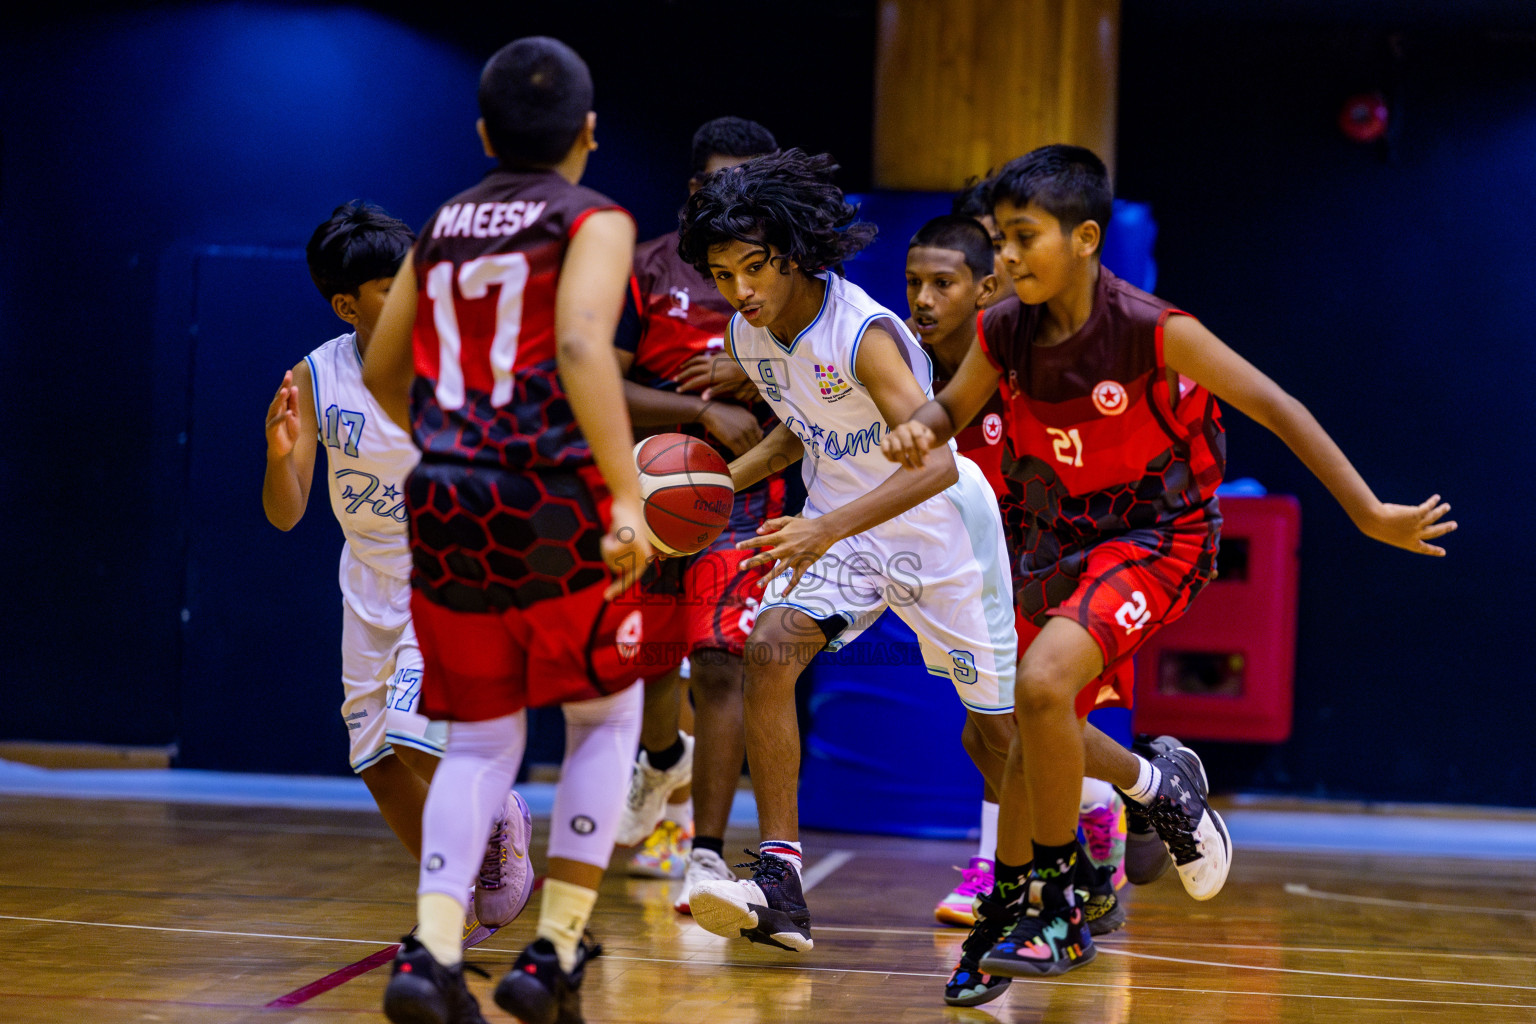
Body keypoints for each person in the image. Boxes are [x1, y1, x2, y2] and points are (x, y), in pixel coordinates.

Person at [884, 144, 1455, 983]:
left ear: (1084, 238)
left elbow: (1277, 406)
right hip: (1058, 537)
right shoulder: (1005, 330)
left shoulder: (1153, 330)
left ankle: (1064, 901)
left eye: (1021, 237)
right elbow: (951, 404)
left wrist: (1367, 509)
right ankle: (1038, 897)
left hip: (1160, 533)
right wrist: (921, 427)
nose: (1002, 258)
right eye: (998, 240)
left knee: (1039, 689)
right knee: (1019, 728)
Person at [360, 37, 652, 1024]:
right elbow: (580, 342)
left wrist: (451, 443)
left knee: (479, 736)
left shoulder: (440, 223)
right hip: (547, 495)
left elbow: (379, 372)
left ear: (483, 132)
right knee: (606, 717)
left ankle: (433, 950)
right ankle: (555, 949)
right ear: (589, 133)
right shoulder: (593, 215)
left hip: (445, 494)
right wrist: (623, 492)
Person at [673, 148, 1028, 957]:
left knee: (997, 734)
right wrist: (717, 485)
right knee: (769, 650)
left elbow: (936, 460)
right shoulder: (749, 333)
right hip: (846, 523)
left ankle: (1102, 821)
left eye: (754, 268)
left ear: (793, 254)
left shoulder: (862, 334)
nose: (741, 291)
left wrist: (823, 527)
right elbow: (802, 430)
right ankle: (781, 882)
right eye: (724, 274)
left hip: (940, 530)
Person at [261, 201, 532, 947]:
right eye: (393, 284)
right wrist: (280, 457)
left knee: (418, 738)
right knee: (378, 763)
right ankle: (457, 892)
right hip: (370, 584)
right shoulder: (316, 376)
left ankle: (501, 815)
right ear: (348, 304)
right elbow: (285, 516)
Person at [903, 215, 1128, 931]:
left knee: (1008, 729)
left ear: (989, 290)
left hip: (1047, 567)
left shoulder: (1024, 366)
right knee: (987, 735)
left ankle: (1005, 873)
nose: (924, 300)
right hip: (965, 570)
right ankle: (1105, 809)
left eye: (944, 284)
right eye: (914, 284)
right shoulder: (906, 367)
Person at [610, 116, 782, 914]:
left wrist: (758, 375)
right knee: (643, 659)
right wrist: (699, 408)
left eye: (753, 181)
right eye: (723, 181)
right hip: (646, 488)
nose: (738, 195)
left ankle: (706, 857)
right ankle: (660, 755)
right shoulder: (643, 266)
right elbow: (603, 388)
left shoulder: (788, 273)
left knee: (720, 664)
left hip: (747, 492)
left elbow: (824, 390)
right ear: (694, 189)